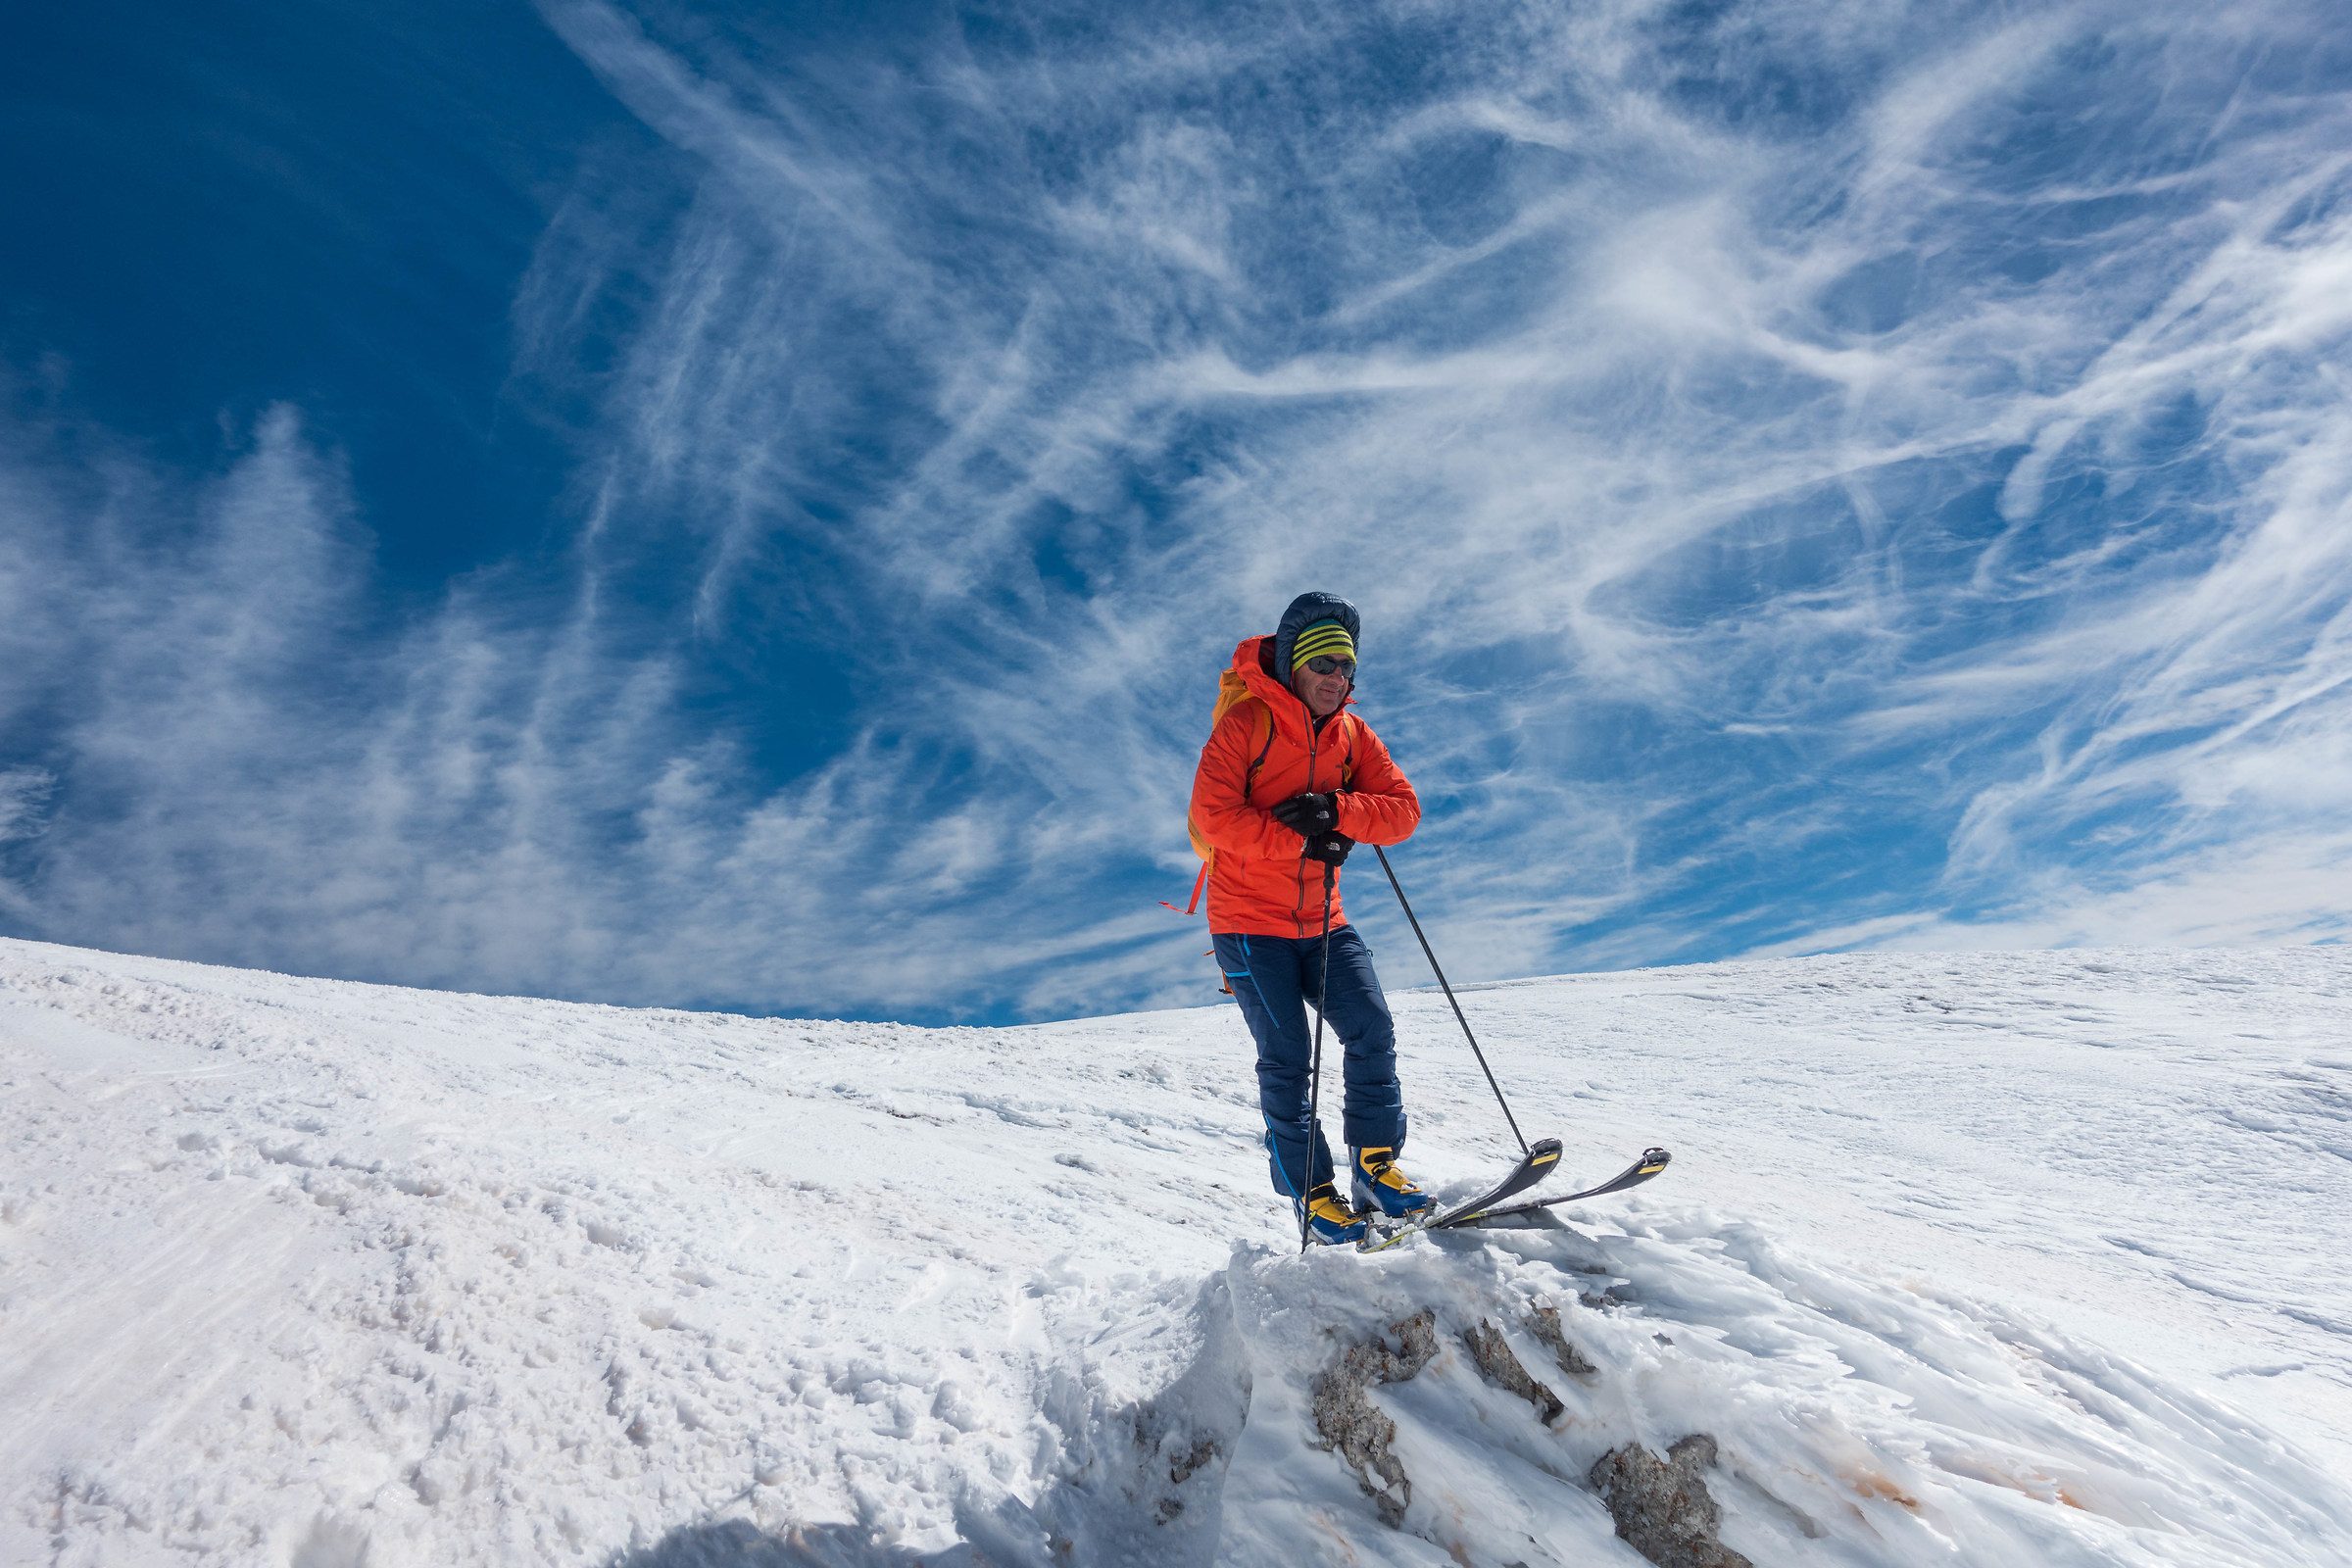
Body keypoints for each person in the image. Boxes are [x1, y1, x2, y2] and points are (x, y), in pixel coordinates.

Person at [1186, 592, 1433, 1245]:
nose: (1336, 677)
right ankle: (1313, 1195)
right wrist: (1298, 838)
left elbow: (1402, 811)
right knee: (1288, 1058)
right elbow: (1213, 819)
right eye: (1323, 661)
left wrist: (1338, 811)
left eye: (1347, 667)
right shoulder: (1246, 724)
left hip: (1323, 920)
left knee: (1371, 1026)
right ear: (1295, 663)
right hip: (1247, 924)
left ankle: (1377, 1168)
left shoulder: (1353, 735)